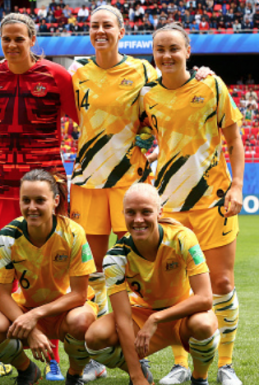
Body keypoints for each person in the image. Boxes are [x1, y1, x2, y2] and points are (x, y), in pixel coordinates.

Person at [140, 23, 244, 385]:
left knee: (223, 283)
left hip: (212, 203)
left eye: (173, 48)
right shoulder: (146, 95)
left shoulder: (211, 85)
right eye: (160, 50)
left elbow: (234, 138)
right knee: (174, 288)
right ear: (153, 55)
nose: (166, 55)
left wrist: (237, 186)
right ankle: (182, 363)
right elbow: (146, 139)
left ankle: (226, 365)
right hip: (169, 207)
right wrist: (154, 157)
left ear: (188, 51)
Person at [0, 12, 78, 381]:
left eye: (19, 38)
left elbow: (88, 118)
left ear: (32, 40)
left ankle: (52, 356)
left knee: (49, 270)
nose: (12, 44)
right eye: (6, 38)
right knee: (3, 271)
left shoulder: (57, 76)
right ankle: (6, 353)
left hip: (46, 184)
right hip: (2, 185)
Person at [67, 6, 156, 380]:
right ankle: (95, 352)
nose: (100, 31)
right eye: (94, 26)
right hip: (88, 182)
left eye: (107, 25)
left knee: (135, 266)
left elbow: (161, 111)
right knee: (93, 270)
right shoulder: (77, 72)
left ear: (122, 30)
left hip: (128, 185)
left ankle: (141, 345)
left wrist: (148, 139)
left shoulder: (144, 71)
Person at [85, 183, 220, 385]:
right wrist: (137, 377)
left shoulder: (182, 238)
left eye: (146, 212)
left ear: (159, 212)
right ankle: (142, 373)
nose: (138, 219)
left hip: (182, 316)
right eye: (131, 213)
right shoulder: (114, 258)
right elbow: (123, 320)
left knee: (204, 324)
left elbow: (205, 299)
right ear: (123, 214)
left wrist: (156, 318)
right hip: (141, 318)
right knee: (95, 338)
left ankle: (199, 378)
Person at [0, 169, 98, 385]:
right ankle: (28, 371)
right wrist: (32, 327)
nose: (31, 207)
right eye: (25, 200)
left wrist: (34, 316)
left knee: (82, 322)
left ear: (55, 201)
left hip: (67, 311)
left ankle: (74, 375)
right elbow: (3, 295)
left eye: (39, 200)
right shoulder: (8, 236)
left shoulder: (73, 233)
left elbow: (79, 295)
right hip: (26, 309)